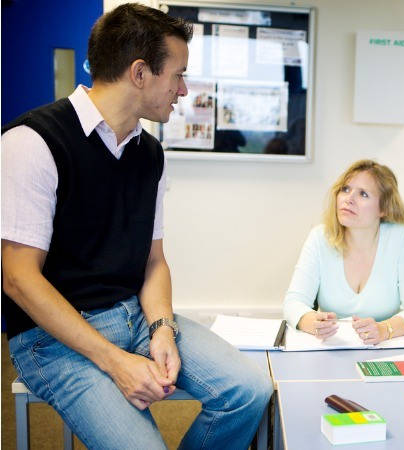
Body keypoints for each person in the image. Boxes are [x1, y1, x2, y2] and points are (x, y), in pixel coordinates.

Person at [1, 4, 271, 448]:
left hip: (133, 317)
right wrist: (115, 362)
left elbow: (154, 261)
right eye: (178, 75)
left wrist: (163, 327)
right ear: (140, 73)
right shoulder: (31, 142)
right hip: (51, 341)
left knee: (248, 390)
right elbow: (17, 279)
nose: (183, 90)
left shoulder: (150, 154)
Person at [283, 159, 404, 343]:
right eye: (345, 189)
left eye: (363, 194)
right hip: (332, 347)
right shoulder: (320, 237)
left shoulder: (401, 237)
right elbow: (293, 302)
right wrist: (312, 322)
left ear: (383, 208)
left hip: (384, 349)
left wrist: (384, 329)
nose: (348, 199)